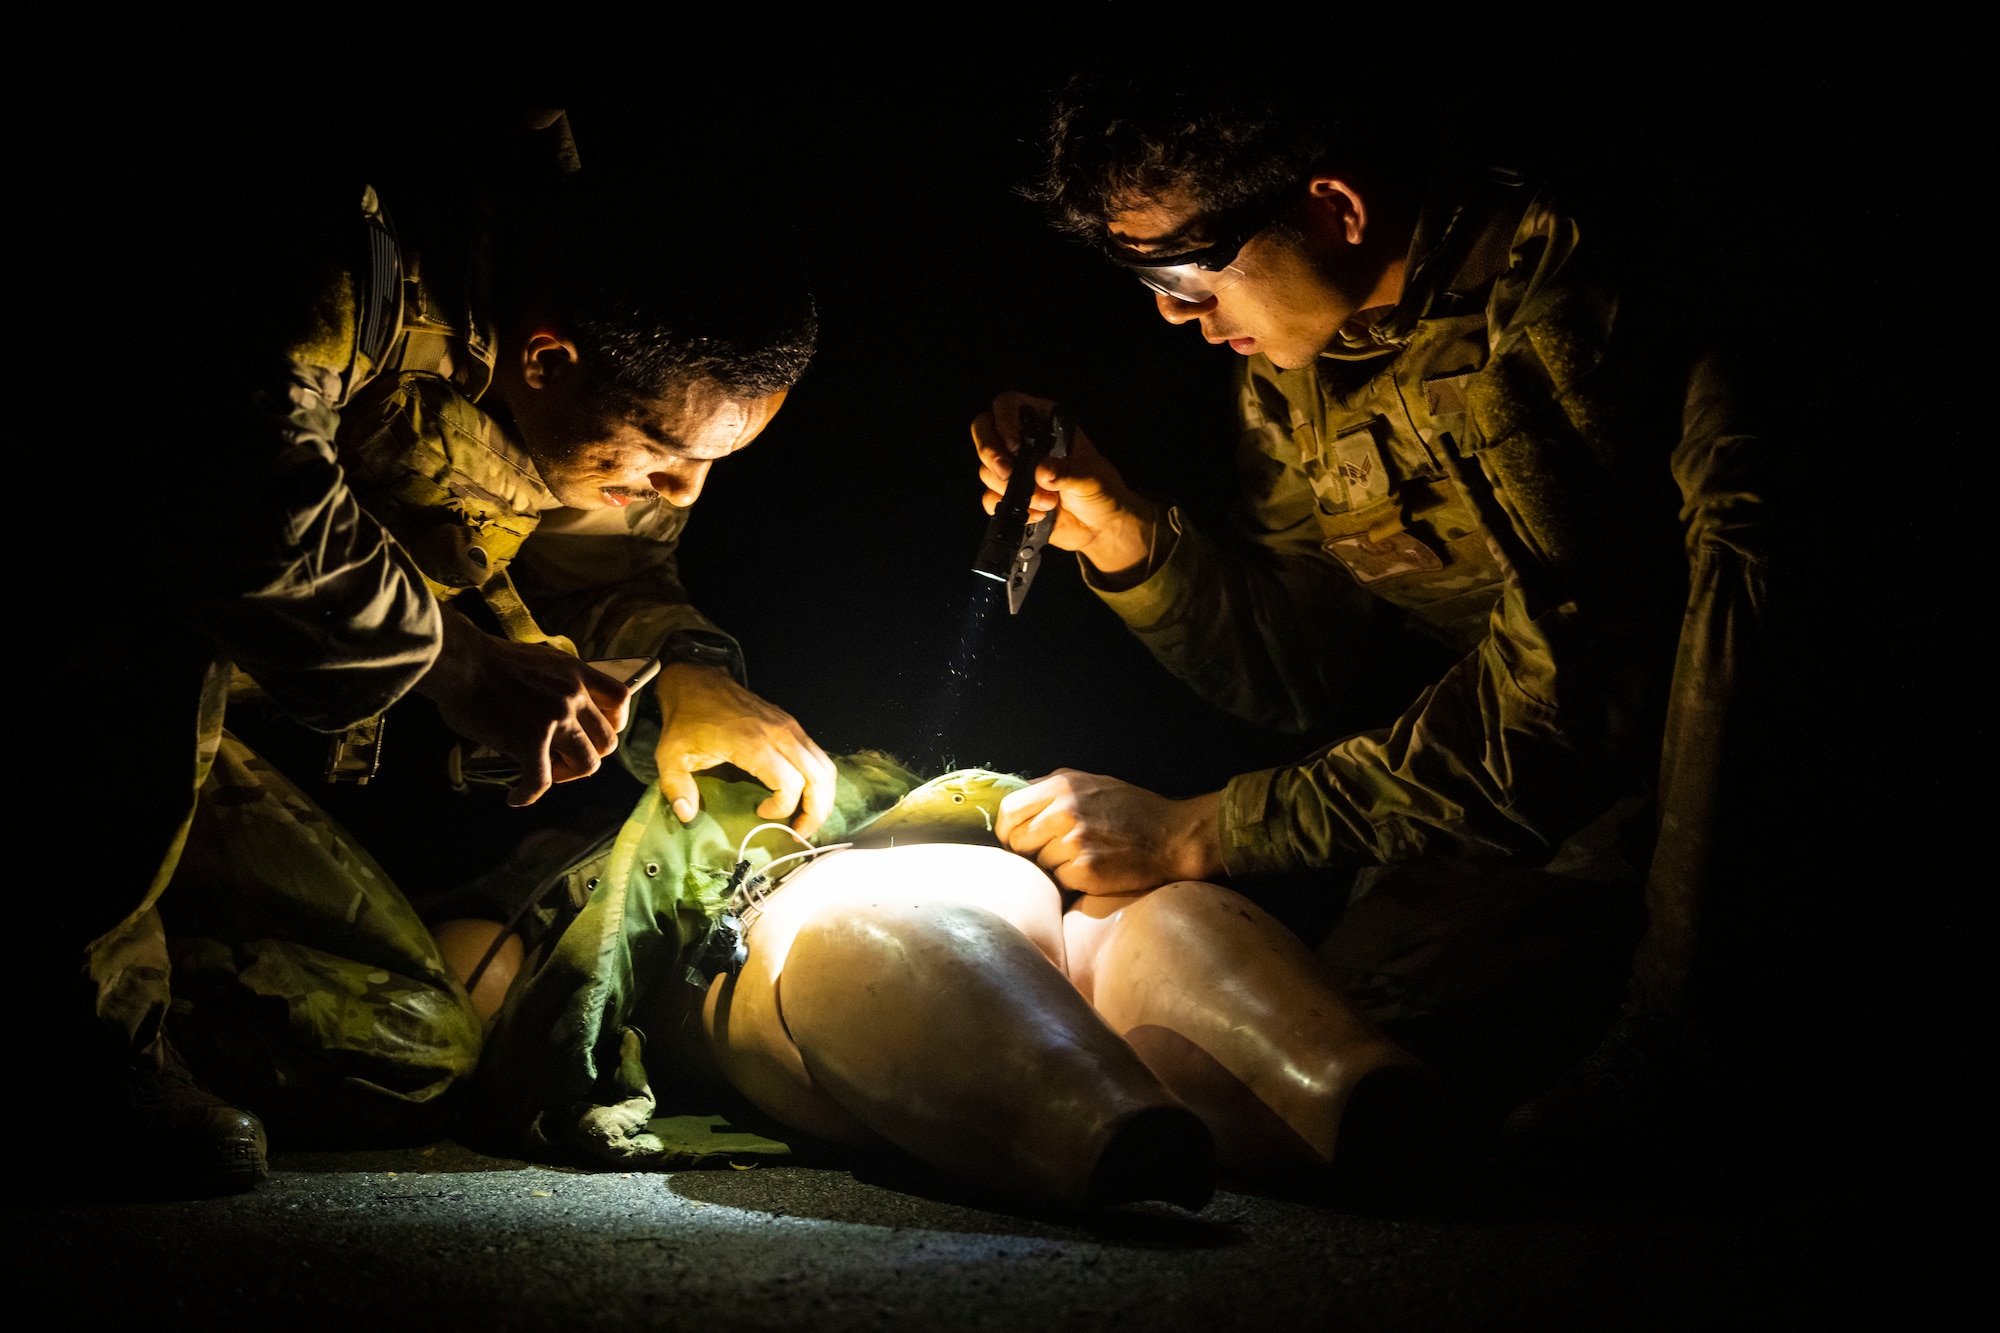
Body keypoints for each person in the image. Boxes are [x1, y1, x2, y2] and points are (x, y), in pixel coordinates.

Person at [969, 75, 1773, 1174]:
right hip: (1539, 817)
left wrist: (1201, 829)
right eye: (1141, 274)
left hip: (1704, 791)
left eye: (1180, 268)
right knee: (1299, 1045)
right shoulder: (1308, 361)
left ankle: (1687, 1038)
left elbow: (1573, 705)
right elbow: (1306, 671)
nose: (1169, 310)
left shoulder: (1571, 299)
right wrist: (1123, 536)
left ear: (1333, 210)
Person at [42, 112, 835, 1193]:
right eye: (664, 455)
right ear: (547, 357)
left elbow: (607, 566)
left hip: (218, 754)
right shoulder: (339, 262)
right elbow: (223, 488)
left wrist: (690, 670)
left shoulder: (584, 367)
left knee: (402, 1056)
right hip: (82, 680)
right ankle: (70, 1043)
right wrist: (456, 665)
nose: (685, 491)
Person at [453, 765, 1444, 1207]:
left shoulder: (557, 898)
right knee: (1116, 934)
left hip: (865, 892)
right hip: (986, 885)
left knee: (872, 929)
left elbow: (472, 1005)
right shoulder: (544, 899)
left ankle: (1101, 1116)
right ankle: (1335, 1080)